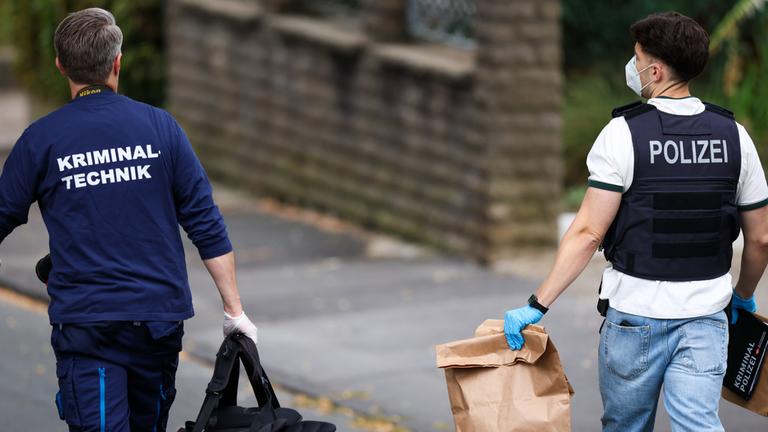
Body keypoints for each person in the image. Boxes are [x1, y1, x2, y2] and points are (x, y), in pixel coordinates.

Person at [503, 11, 768, 432]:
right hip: (706, 317)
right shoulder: (734, 135)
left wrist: (537, 304)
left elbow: (588, 233)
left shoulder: (622, 133)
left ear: (655, 71)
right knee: (698, 425)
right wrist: (744, 296)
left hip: (634, 320)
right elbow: (761, 239)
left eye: (638, 58)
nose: (633, 66)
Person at [0, 8, 258, 431]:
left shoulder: (41, 141)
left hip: (89, 325)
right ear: (117, 62)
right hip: (156, 322)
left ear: (60, 65)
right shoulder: (162, 128)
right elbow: (205, 222)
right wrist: (234, 311)